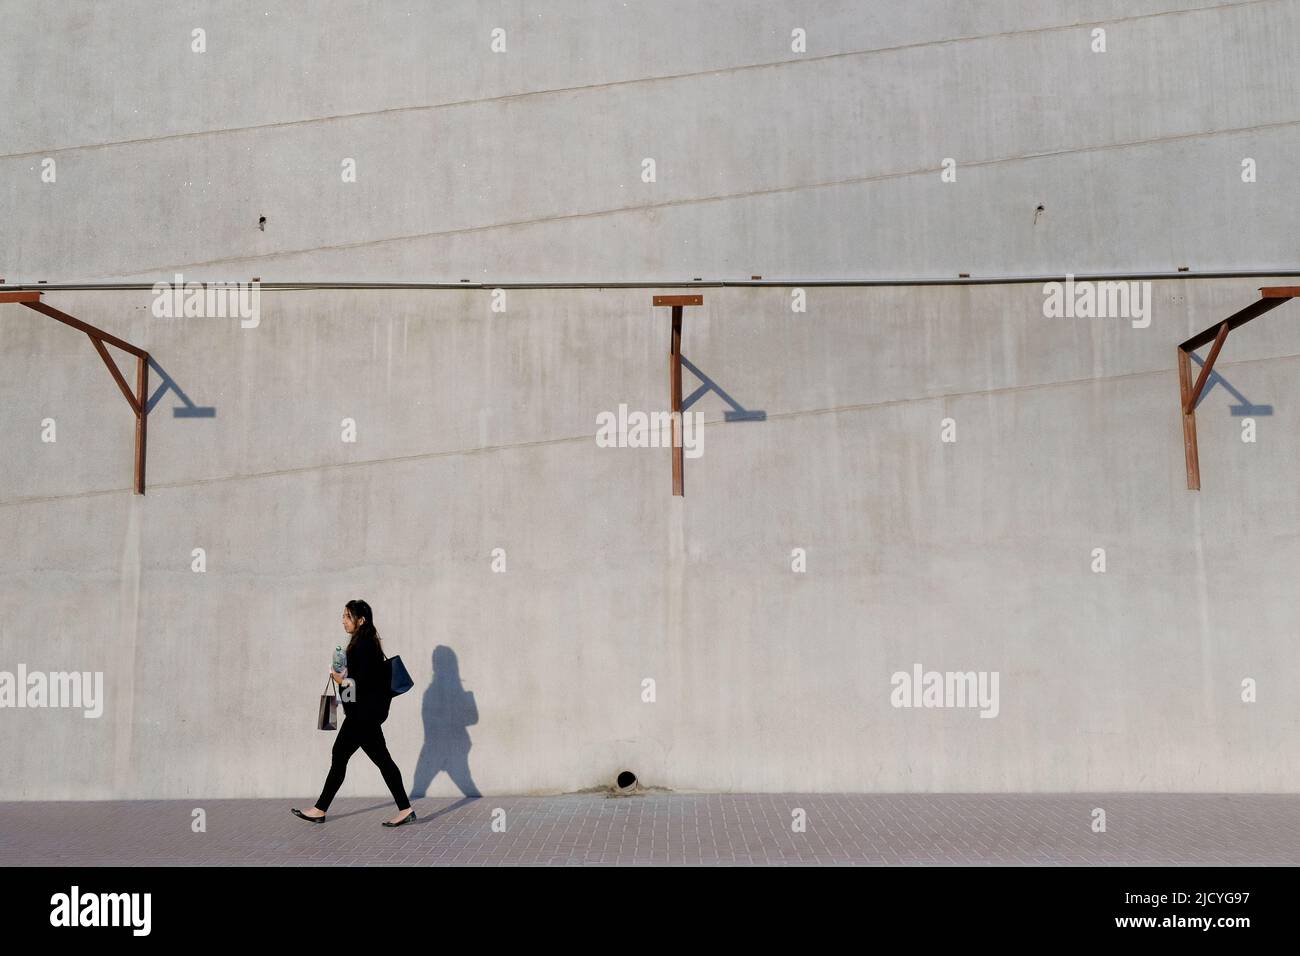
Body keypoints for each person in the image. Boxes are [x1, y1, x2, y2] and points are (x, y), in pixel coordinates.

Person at [292, 600, 415, 827]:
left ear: (361, 620)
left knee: (342, 755)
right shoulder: (363, 643)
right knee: (380, 760)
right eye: (344, 616)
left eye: (348, 617)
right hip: (364, 715)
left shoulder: (365, 645)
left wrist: (340, 679)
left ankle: (320, 809)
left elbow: (362, 683)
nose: (343, 621)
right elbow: (360, 678)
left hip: (363, 716)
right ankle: (405, 808)